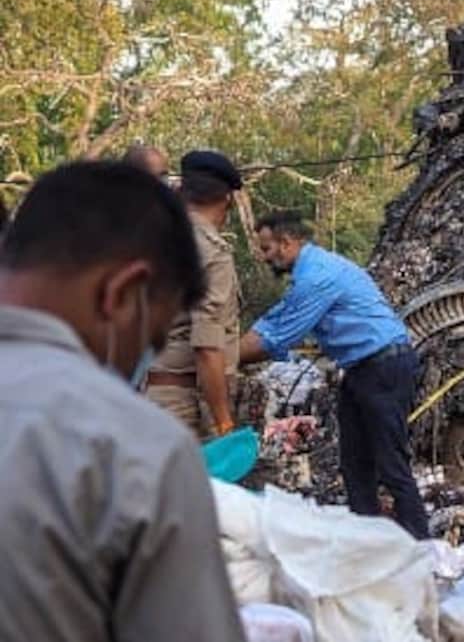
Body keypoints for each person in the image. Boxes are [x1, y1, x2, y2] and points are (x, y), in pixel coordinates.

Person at [0, 162, 245, 642]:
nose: (140, 358)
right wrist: (223, 421)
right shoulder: (137, 450)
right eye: (148, 338)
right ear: (122, 293)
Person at [239, 211, 429, 539]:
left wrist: (218, 358)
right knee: (355, 464)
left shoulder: (317, 276)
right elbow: (273, 322)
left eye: (268, 249)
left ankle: (423, 550)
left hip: (383, 365)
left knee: (390, 464)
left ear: (286, 243)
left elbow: (277, 335)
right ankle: (366, 543)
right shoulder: (311, 272)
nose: (265, 257)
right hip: (359, 369)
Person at [144, 149, 242, 438]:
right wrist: (223, 421)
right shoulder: (212, 253)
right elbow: (207, 346)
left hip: (147, 392)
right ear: (227, 199)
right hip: (183, 404)